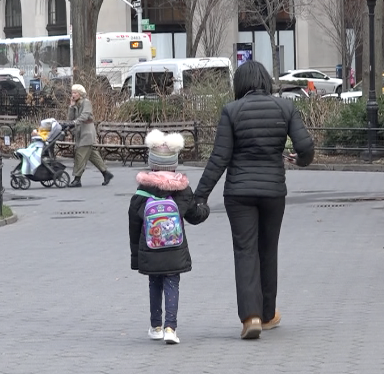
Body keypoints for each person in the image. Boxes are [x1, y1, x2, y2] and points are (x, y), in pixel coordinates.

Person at [193, 60, 315, 340]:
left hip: (239, 193)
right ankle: (269, 314)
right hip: (274, 192)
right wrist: (303, 160)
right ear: (266, 81)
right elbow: (305, 145)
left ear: (240, 84)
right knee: (268, 250)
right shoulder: (285, 107)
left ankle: (251, 318)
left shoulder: (231, 111)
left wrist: (200, 196)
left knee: (245, 251)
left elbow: (219, 158)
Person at [128, 129, 210, 345]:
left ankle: (155, 326)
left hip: (150, 249)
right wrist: (205, 209)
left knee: (154, 284)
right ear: (174, 164)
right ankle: (170, 328)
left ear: (151, 164)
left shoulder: (142, 192)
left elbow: (134, 224)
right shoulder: (182, 190)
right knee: (172, 284)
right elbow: (194, 216)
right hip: (175, 250)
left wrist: (136, 257)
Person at [66, 84, 114, 187]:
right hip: (80, 132)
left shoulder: (86, 103)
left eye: (75, 93)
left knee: (80, 154)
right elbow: (70, 118)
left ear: (80, 94)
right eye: (72, 93)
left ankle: (77, 179)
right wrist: (71, 106)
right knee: (93, 155)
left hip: (87, 133)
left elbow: (85, 115)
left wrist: (75, 122)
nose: (73, 95)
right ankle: (106, 173)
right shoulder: (76, 104)